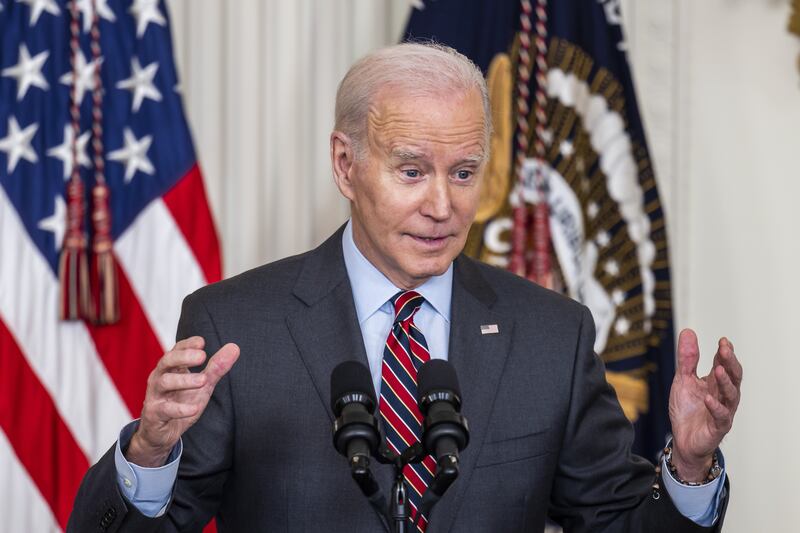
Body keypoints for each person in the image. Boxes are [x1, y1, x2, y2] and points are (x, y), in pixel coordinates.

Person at [68, 43, 742, 532]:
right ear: (345, 163)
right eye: (413, 171)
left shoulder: (551, 335)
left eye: (465, 170)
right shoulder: (235, 325)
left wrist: (687, 466)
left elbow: (621, 523)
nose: (443, 205)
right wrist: (150, 452)